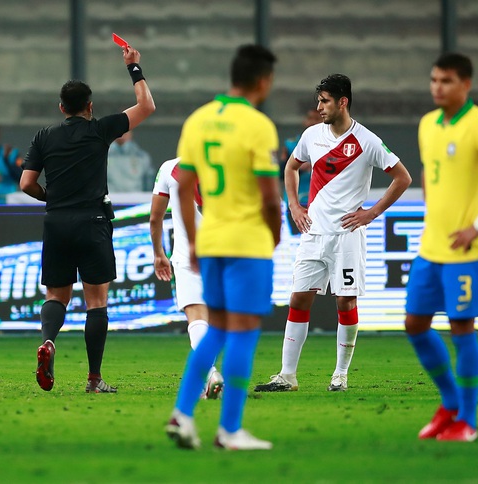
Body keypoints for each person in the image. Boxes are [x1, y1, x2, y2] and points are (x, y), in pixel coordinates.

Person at [254, 74, 411, 394]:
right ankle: (287, 375)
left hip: (347, 236)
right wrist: (296, 207)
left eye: (324, 101)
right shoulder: (312, 135)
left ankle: (340, 375)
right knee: (298, 298)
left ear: (343, 102)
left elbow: (402, 177)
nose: (319, 107)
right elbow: (291, 167)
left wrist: (372, 212)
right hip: (314, 233)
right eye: (318, 101)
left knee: (345, 301)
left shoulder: (367, 141)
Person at [165, 44, 282, 451]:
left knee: (215, 330)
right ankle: (230, 429)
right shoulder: (257, 126)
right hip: (247, 243)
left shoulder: (198, 121)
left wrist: (194, 242)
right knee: (244, 333)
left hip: (210, 242)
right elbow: (270, 197)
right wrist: (275, 233)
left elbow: (181, 187)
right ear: (263, 81)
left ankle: (182, 414)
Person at [20, 43, 155, 394]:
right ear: (89, 107)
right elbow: (147, 106)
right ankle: (94, 379)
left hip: (57, 221)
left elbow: (26, 183)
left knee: (56, 296)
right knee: (97, 302)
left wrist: (52, 197)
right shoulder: (100, 129)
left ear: (61, 108)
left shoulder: (44, 136)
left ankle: (48, 342)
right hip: (93, 221)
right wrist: (134, 67)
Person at [406, 53, 478, 442]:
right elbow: (429, 170)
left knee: (461, 329)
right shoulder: (426, 125)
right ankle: (450, 402)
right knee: (414, 324)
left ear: (465, 84)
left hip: (471, 251)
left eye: (447, 81)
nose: (438, 87)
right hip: (431, 248)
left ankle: (466, 421)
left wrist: (477, 225)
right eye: (434, 80)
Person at [150, 157, 223, 399]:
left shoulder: (170, 167)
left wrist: (159, 253)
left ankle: (211, 373)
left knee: (196, 319)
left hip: (189, 255)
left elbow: (155, 218)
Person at [279, 108, 321, 205]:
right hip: (296, 202)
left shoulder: (333, 146)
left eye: (318, 119)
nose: (313, 123)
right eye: (310, 118)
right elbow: (280, 173)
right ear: (305, 122)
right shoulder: (291, 145)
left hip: (321, 203)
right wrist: (298, 167)